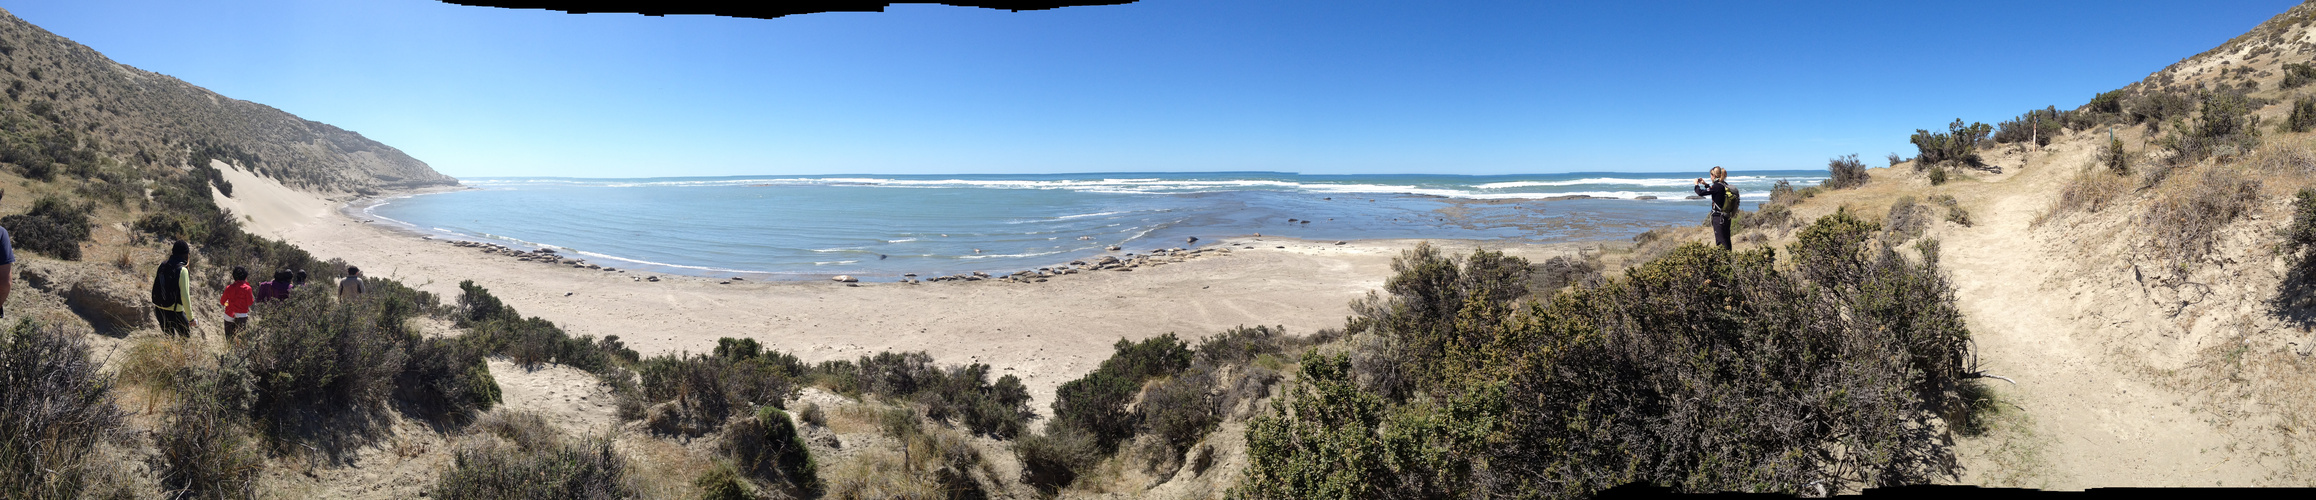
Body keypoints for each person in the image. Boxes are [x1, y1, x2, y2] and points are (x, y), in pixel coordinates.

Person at [151, 240, 194, 336]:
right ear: (186, 254)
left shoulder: (162, 265)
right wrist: (191, 318)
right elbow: (185, 297)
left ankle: (168, 351)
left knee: (169, 338)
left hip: (159, 309)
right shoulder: (182, 270)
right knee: (185, 338)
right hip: (175, 312)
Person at [1693, 166, 1735, 251]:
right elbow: (1714, 191)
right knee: (1726, 239)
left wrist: (1696, 185)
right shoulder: (1724, 185)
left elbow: (1700, 193)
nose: (1710, 177)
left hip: (1718, 217)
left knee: (1720, 241)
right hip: (1726, 217)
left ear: (1714, 176)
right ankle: (1729, 259)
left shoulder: (1716, 187)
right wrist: (1705, 184)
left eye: (1711, 175)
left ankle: (1723, 261)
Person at [220, 266, 253, 337]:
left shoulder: (228, 288)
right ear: (245, 277)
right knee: (240, 342)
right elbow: (250, 303)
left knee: (229, 339)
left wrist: (228, 304)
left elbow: (222, 302)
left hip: (229, 315)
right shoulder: (247, 289)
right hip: (241, 316)